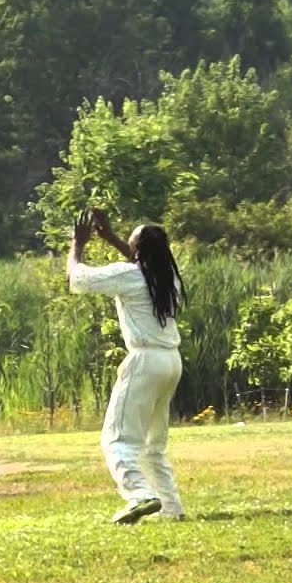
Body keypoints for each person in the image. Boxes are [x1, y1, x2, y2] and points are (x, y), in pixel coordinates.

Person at [68, 208, 187, 524]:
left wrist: (78, 245)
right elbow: (139, 265)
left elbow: (79, 280)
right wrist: (113, 239)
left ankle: (139, 495)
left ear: (137, 252)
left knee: (117, 439)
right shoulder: (168, 277)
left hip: (144, 361)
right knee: (153, 444)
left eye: (131, 245)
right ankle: (171, 506)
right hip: (171, 361)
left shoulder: (131, 274)